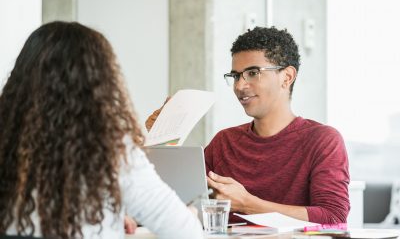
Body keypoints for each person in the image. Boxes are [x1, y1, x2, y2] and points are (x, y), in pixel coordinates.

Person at [0, 21, 203, 239]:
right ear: (99, 84)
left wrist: (111, 213)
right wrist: (190, 214)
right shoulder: (111, 150)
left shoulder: (7, 139)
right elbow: (183, 231)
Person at [146, 26, 350, 224]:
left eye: (253, 73)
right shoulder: (224, 142)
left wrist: (249, 204)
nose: (239, 86)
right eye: (235, 75)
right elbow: (176, 203)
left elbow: (333, 217)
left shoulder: (322, 140)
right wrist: (157, 142)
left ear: (287, 77)